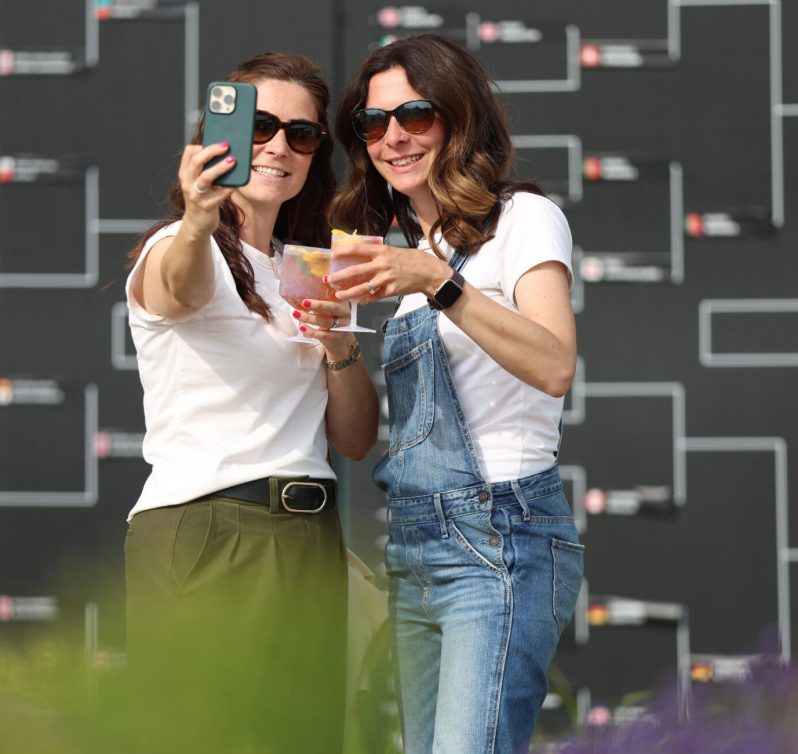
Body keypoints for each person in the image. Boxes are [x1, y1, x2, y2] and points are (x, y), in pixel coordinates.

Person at [327, 34, 585, 754]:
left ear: (459, 114)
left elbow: (556, 363)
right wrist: (336, 343)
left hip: (500, 536)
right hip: (414, 547)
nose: (393, 137)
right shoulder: (421, 251)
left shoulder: (522, 219)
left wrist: (437, 283)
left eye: (415, 113)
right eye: (372, 124)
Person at [124, 52, 378, 753]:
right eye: (261, 126)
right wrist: (200, 219)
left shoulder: (309, 266)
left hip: (308, 538)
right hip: (213, 527)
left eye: (302, 134)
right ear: (220, 136)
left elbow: (356, 439)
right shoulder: (181, 249)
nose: (278, 147)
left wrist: (338, 348)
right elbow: (174, 291)